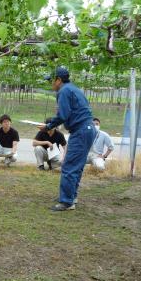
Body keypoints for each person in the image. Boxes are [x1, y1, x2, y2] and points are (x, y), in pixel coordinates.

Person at [38, 67, 96, 211]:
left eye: (52, 80)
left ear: (58, 80)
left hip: (81, 130)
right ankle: (71, 197)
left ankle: (66, 202)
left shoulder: (63, 91)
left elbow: (63, 115)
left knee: (69, 166)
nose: (51, 84)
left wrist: (48, 126)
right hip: (87, 129)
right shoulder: (74, 89)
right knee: (77, 166)